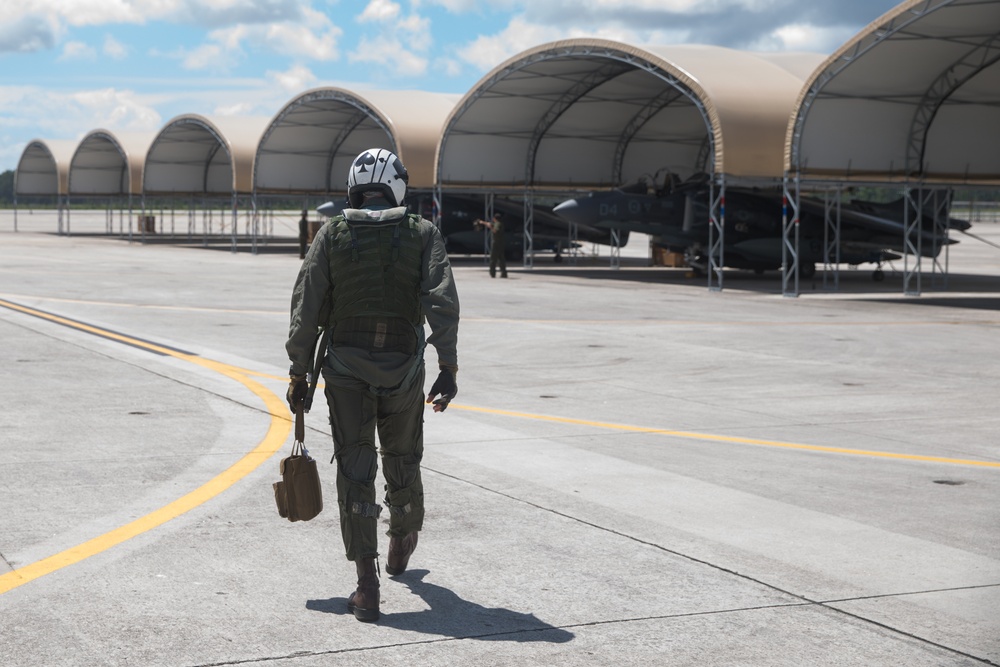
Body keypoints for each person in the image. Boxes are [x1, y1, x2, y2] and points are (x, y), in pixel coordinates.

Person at [285, 148, 460, 623]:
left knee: (356, 469)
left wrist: (298, 373)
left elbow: (306, 308)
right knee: (402, 457)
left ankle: (367, 585)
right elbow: (442, 301)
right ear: (397, 185)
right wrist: (449, 366)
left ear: (353, 187)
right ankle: (402, 537)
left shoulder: (331, 235)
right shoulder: (423, 234)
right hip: (404, 368)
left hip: (344, 371)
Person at [477, 211, 507, 278]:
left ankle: (492, 273)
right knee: (501, 259)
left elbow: (495, 230)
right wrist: (482, 222)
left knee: (493, 259)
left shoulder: (497, 224)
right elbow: (489, 224)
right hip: (501, 244)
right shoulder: (499, 223)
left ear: (494, 218)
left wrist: (491, 227)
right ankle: (504, 273)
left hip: (496, 244)